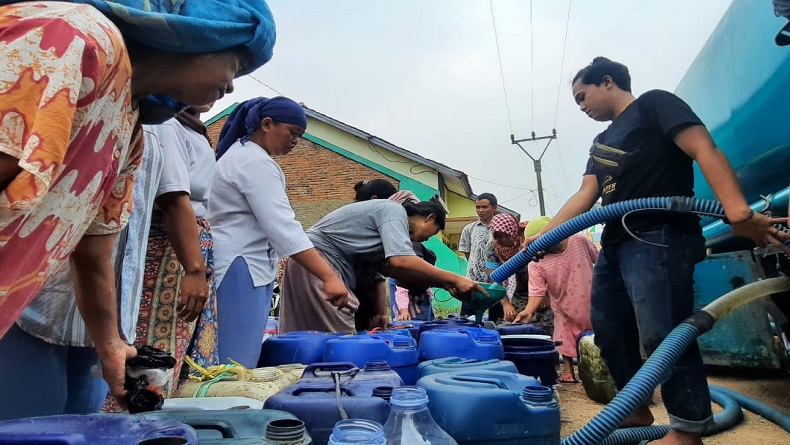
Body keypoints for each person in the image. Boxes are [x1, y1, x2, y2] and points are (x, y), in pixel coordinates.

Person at [0, 0, 276, 407]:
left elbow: (93, 252)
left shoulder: (129, 130)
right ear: (195, 36)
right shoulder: (74, 38)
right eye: (235, 64)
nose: (232, 86)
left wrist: (111, 344)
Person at [525, 57, 790, 445]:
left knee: (664, 334)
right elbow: (587, 193)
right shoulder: (601, 143)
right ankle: (633, 408)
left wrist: (736, 210)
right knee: (609, 331)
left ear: (609, 81)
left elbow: (703, 147)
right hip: (617, 241)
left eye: (583, 96)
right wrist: (546, 234)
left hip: (660, 234)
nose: (581, 106)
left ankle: (687, 431)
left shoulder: (654, 105)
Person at [0, 126, 164, 420]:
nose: (229, 85)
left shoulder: (142, 129)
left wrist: (112, 341)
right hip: (36, 304)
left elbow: (100, 245)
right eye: (229, 75)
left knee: (80, 422)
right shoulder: (65, 103)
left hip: (104, 311)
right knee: (26, 421)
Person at [207, 96, 348, 368]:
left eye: (300, 136)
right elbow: (283, 227)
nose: (296, 141)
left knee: (229, 354)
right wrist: (328, 276)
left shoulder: (243, 155)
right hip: (241, 264)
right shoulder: (253, 162)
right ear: (267, 124)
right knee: (234, 361)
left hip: (242, 263)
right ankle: (223, 408)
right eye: (292, 133)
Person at [278, 199, 485, 333]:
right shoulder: (394, 211)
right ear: (430, 218)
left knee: (303, 336)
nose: (425, 240)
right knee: (340, 339)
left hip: (306, 262)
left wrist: (445, 284)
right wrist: (455, 278)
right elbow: (401, 261)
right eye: (430, 234)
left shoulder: (382, 235)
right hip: (317, 262)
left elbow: (390, 270)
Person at [134, 104, 219, 397]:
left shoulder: (193, 129)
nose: (226, 86)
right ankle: (140, 419)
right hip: (168, 251)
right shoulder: (167, 125)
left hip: (187, 248)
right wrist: (194, 269)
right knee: (157, 343)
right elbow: (173, 199)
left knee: (178, 343)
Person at [514, 216, 596, 384]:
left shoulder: (578, 241)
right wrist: (528, 311)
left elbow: (599, 258)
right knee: (564, 334)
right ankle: (568, 371)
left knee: (601, 337)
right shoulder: (536, 262)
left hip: (594, 300)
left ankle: (598, 369)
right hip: (563, 304)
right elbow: (536, 291)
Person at [458, 193, 498, 318]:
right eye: (478, 207)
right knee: (467, 319)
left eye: (484, 207)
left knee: (497, 319)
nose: (480, 211)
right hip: (472, 282)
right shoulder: (469, 229)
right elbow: (468, 253)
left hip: (496, 283)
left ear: (494, 208)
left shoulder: (501, 228)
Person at [483, 213, 527, 322]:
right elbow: (493, 278)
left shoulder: (527, 239)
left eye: (506, 235)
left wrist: (545, 294)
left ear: (513, 230)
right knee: (516, 319)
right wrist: (506, 303)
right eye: (498, 236)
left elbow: (545, 266)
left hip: (537, 286)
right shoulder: (492, 248)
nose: (503, 239)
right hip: (513, 290)